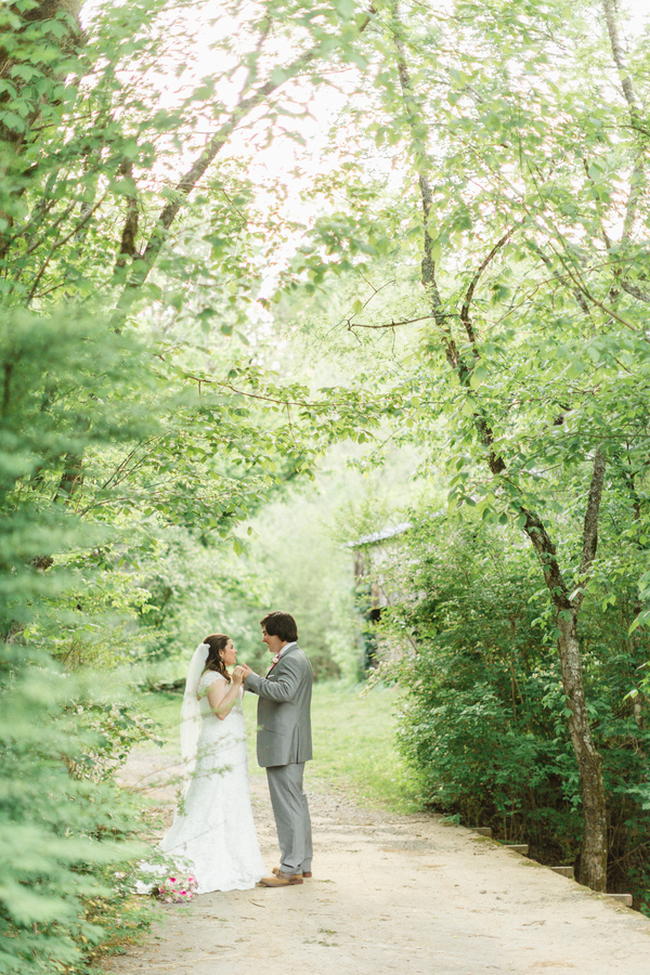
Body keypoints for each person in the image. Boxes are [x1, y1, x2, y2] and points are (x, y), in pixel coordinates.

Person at [153, 633, 265, 893]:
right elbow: (221, 711)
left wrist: (241, 681)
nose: (235, 652)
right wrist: (237, 683)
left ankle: (237, 853)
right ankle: (207, 854)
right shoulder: (211, 678)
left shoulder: (223, 677)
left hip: (232, 746)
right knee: (213, 794)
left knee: (232, 797)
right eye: (231, 648)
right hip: (218, 745)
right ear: (220, 654)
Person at [241, 611, 313, 887]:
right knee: (296, 803)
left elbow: (284, 692)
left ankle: (290, 869)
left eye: (266, 633)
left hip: (286, 742)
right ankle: (301, 863)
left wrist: (251, 679)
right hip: (290, 741)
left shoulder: (293, 659)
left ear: (279, 633)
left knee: (288, 806)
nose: (263, 639)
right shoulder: (294, 657)